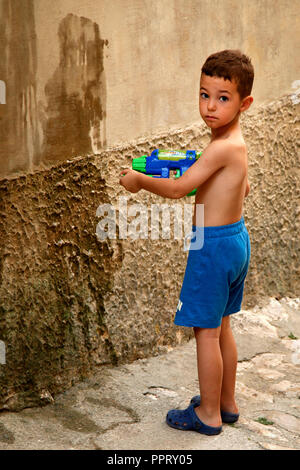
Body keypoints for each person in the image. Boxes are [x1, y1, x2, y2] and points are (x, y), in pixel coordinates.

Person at [119, 49, 254, 436]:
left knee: (205, 333)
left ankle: (207, 415)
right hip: (234, 239)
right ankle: (226, 404)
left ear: (244, 102)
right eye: (203, 94)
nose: (210, 106)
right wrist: (204, 175)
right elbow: (244, 187)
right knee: (222, 326)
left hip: (210, 247)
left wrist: (139, 180)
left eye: (223, 98)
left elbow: (179, 189)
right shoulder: (235, 145)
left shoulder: (219, 149)